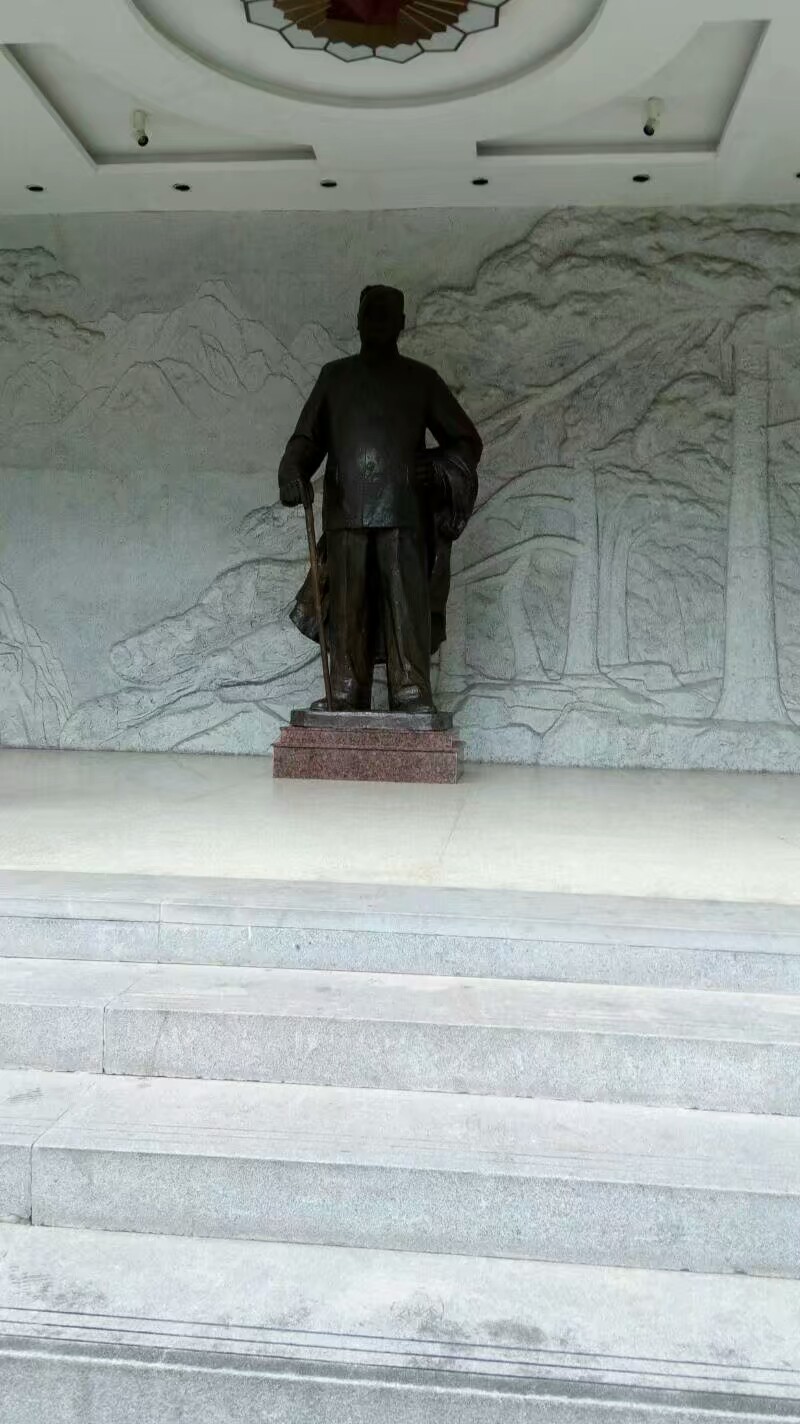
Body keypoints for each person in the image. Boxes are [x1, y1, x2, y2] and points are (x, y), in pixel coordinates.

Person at [279, 284, 482, 713]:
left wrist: (438, 467)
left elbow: (465, 440)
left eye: (386, 314)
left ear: (401, 323)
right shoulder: (335, 378)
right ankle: (346, 688)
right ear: (357, 320)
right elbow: (307, 439)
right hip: (346, 512)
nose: (377, 321)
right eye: (370, 313)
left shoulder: (421, 380)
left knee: (405, 606)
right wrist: (292, 470)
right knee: (347, 606)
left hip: (403, 512)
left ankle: (410, 688)